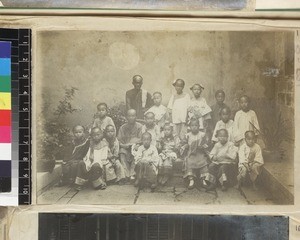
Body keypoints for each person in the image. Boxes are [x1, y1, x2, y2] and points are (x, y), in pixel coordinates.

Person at [181, 118, 210, 190]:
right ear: (189, 127)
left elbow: (206, 144)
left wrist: (202, 146)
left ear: (199, 126)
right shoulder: (187, 135)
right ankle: (191, 179)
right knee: (189, 162)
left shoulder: (202, 135)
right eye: (192, 125)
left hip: (200, 153)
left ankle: (203, 179)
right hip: (191, 154)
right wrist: (186, 146)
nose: (194, 127)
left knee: (203, 162)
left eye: (196, 125)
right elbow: (184, 144)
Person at [117, 109, 143, 181]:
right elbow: (119, 140)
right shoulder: (122, 127)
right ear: (126, 117)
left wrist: (133, 144)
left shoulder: (140, 127)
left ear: (136, 117)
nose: (131, 118)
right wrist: (124, 145)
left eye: (133, 116)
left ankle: (132, 174)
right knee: (121, 152)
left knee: (136, 152)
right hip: (125, 148)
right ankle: (126, 174)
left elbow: (141, 139)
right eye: (129, 116)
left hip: (135, 147)